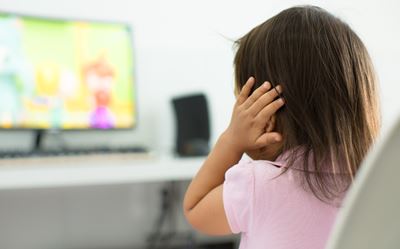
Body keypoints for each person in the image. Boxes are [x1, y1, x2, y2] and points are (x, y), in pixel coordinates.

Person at [183, 5, 380, 249]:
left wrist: (232, 141)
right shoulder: (372, 182)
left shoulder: (258, 183)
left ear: (268, 116)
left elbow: (194, 208)